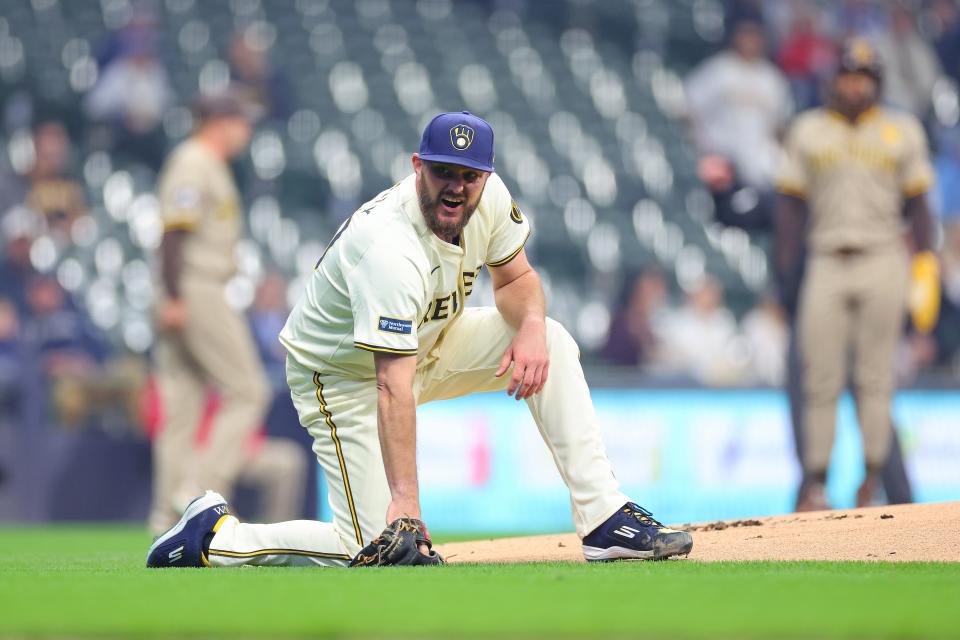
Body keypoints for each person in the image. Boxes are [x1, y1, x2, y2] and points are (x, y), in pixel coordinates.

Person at [147, 111, 694, 568]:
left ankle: (603, 518)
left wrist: (528, 328)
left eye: (469, 175)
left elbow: (518, 279)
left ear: (487, 176)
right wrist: (405, 506)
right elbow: (391, 385)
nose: (456, 186)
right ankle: (214, 536)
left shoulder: (492, 198)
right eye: (442, 171)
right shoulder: (388, 245)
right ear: (417, 168)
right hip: (342, 377)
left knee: (551, 334)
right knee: (368, 548)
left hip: (433, 340)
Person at [774, 39, 937, 511]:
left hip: (883, 255)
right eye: (847, 76)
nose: (854, 84)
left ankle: (872, 479)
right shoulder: (809, 130)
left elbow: (920, 206)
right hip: (825, 256)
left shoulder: (900, 130)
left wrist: (925, 266)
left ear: (877, 82)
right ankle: (816, 482)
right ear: (834, 81)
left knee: (875, 377)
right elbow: (789, 208)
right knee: (818, 377)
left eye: (863, 77)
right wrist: (787, 274)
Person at [699, 153, 914, 508]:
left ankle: (896, 495)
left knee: (870, 401)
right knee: (808, 408)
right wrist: (723, 189)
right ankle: (813, 493)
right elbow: (736, 214)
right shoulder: (786, 202)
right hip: (806, 319)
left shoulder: (849, 204)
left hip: (852, 319)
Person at [147, 90, 270, 536]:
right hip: (195, 286)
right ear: (219, 121)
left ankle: (165, 517)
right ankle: (197, 488)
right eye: (242, 121)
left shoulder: (202, 162)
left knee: (182, 404)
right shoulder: (194, 161)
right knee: (248, 389)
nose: (246, 130)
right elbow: (174, 234)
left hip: (184, 287)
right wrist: (176, 296)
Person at [684, 12, 793, 188]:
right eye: (745, 34)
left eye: (755, 35)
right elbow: (687, 107)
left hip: (760, 169)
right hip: (721, 162)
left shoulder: (773, 78)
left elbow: (779, 127)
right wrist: (701, 147)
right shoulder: (719, 69)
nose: (750, 40)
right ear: (735, 36)